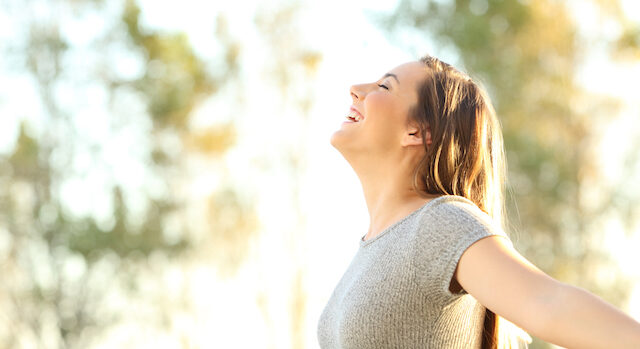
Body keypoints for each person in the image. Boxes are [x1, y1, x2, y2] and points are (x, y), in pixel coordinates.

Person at [317, 54, 640, 348]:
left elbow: (548, 303)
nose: (356, 89)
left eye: (384, 87)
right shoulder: (372, 248)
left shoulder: (438, 223)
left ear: (417, 132)